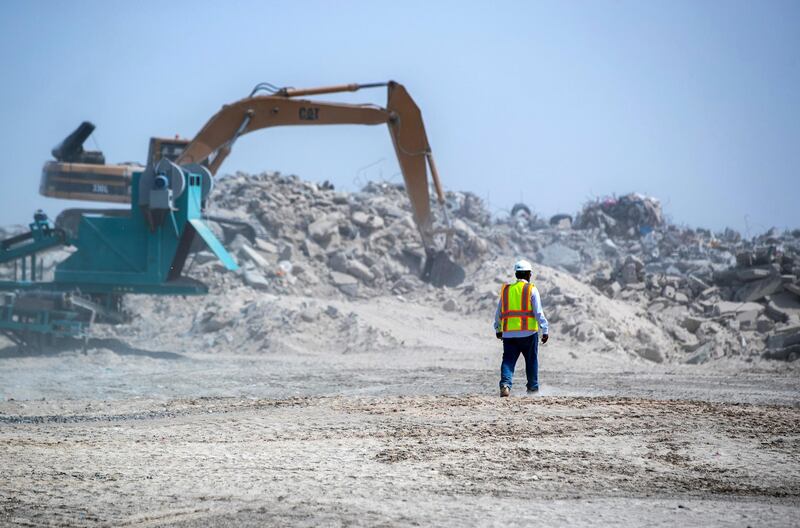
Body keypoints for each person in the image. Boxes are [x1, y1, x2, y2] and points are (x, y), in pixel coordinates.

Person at [494, 259, 549, 397]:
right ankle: (532, 388)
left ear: (516, 274)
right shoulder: (531, 289)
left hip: (509, 334)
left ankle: (505, 385)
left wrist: (498, 329)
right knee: (531, 361)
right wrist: (545, 329)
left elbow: (499, 312)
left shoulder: (506, 290)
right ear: (529, 274)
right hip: (528, 334)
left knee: (508, 360)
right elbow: (538, 312)